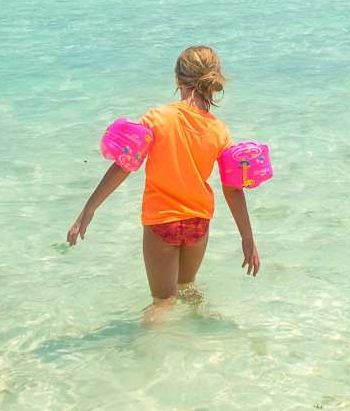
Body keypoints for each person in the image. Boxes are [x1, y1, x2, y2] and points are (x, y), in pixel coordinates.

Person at [67, 46, 260, 313]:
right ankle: (203, 339)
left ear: (178, 81)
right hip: (198, 223)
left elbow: (124, 166)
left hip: (163, 221)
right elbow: (233, 189)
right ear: (213, 84)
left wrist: (88, 209)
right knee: (187, 289)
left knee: (162, 302)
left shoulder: (157, 118)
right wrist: (247, 238)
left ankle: (146, 350)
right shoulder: (220, 130)